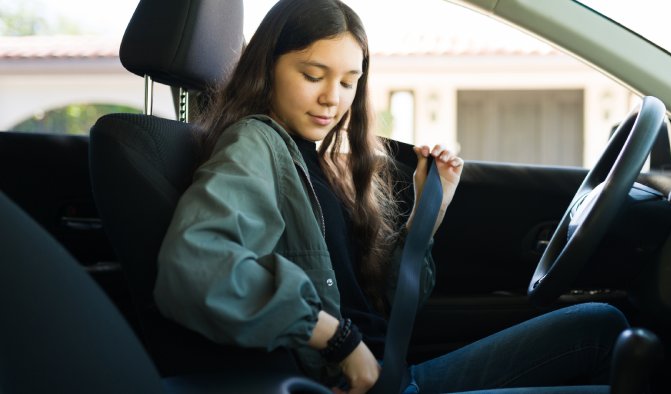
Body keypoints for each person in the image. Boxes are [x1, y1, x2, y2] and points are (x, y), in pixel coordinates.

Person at [155, 0, 628, 393]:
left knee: (602, 325)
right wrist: (338, 339)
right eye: (313, 74)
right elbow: (196, 267)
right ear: (268, 68)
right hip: (361, 381)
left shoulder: (311, 159)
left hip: (393, 372)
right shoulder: (255, 144)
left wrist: (430, 212)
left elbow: (379, 306)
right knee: (608, 335)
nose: (332, 99)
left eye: (347, 81)